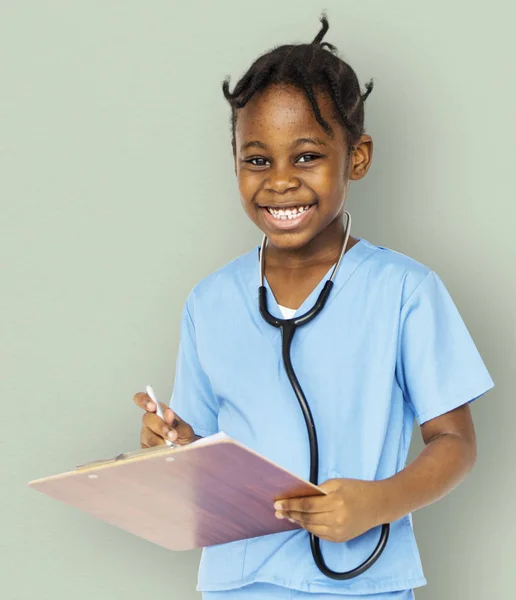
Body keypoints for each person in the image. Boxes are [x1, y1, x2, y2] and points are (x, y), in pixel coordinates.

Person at [133, 11, 495, 600]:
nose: (279, 181)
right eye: (257, 159)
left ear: (357, 157)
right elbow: (204, 448)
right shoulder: (211, 302)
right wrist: (172, 442)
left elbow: (455, 444)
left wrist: (377, 503)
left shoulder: (404, 291)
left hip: (361, 582)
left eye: (305, 156)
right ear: (234, 162)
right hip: (237, 582)